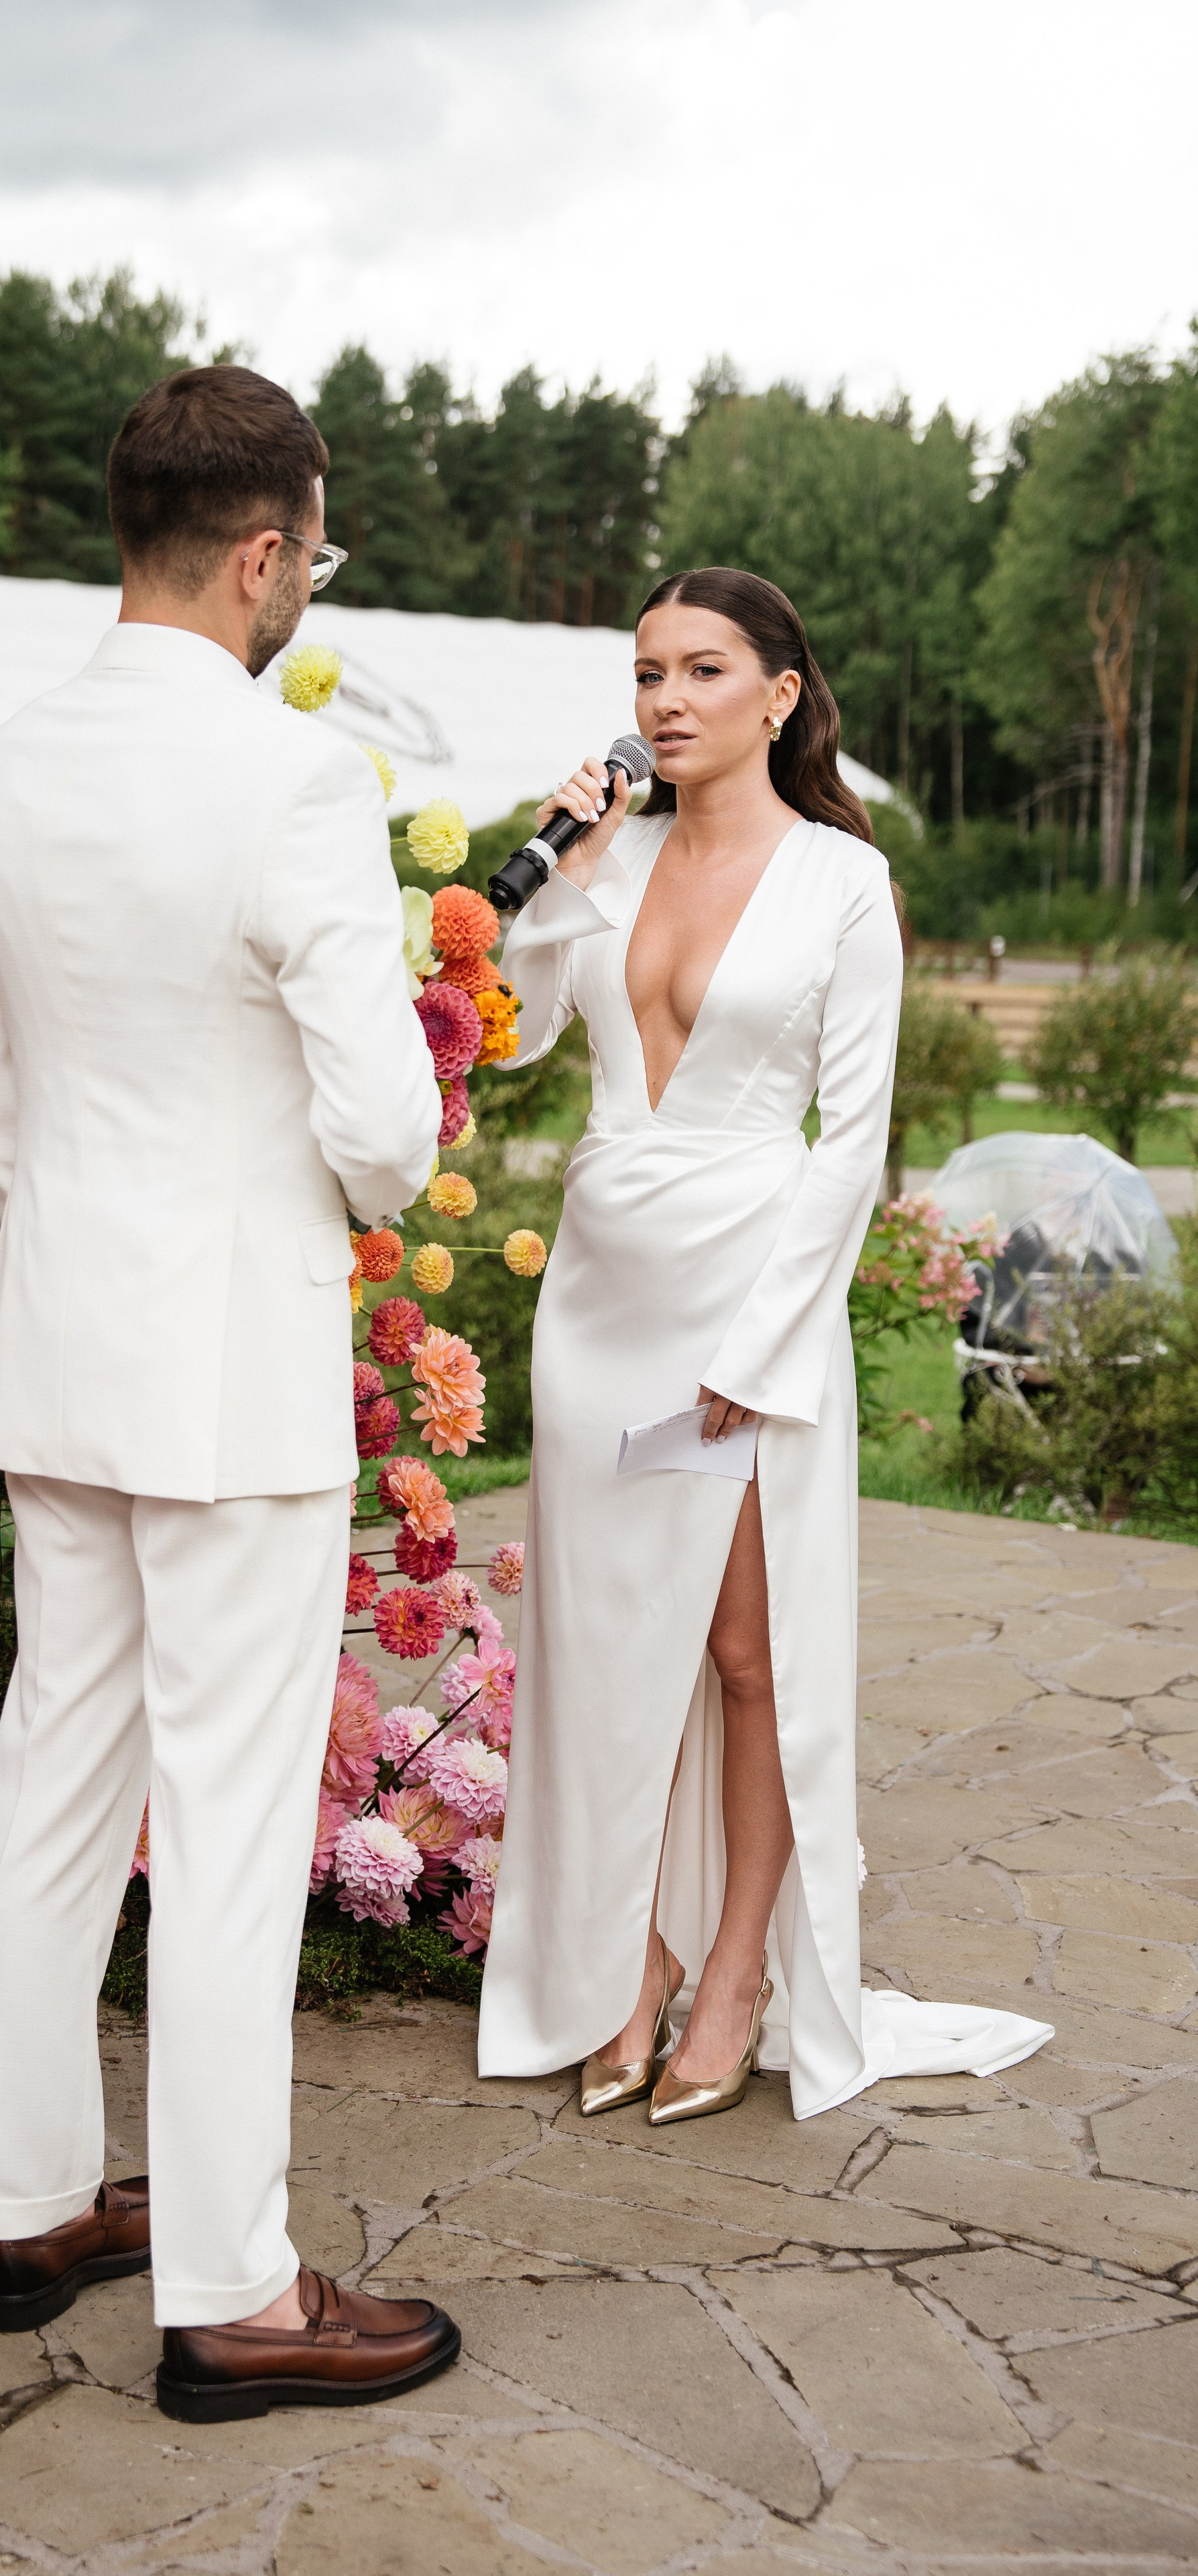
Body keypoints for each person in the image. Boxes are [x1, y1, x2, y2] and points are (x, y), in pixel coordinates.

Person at [0, 365, 460, 2420]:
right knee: (229, 1816)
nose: (306, 587)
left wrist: (89, 1198)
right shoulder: (291, 782)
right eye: (312, 557)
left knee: (60, 1769)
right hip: (228, 1363)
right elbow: (391, 1135)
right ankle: (233, 2286)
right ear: (261, 556)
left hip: (58, 1335)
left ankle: (33, 2199)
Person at [476, 567, 1051, 2122]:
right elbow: (516, 1036)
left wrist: (765, 1340)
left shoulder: (837, 884)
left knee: (742, 1653)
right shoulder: (617, 851)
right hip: (594, 1298)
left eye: (702, 670)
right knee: (608, 1655)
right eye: (647, 670)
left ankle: (732, 1968)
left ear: (778, 694)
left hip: (741, 1296)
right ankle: (626, 1964)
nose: (665, 699)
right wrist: (564, 871)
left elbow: (847, 1139)